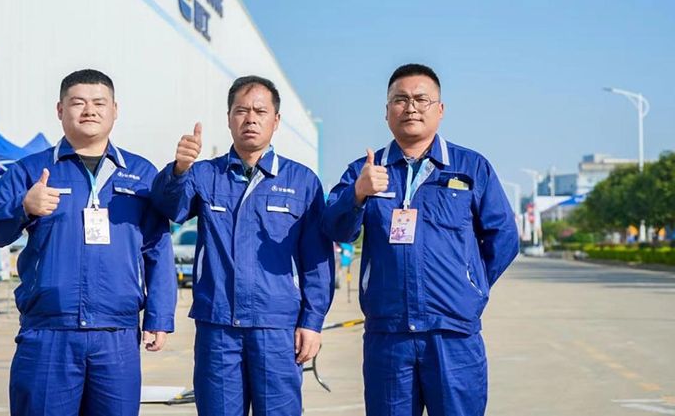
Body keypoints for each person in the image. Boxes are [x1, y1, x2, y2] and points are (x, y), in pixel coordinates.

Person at [0, 69, 176, 415]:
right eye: (78, 103)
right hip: (49, 332)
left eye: (99, 102)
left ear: (115, 110)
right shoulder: (32, 170)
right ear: (60, 110)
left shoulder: (141, 174)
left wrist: (159, 316)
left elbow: (157, 248)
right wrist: (23, 207)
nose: (89, 110)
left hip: (117, 334)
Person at [322, 63, 518, 415]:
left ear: (440, 110)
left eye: (421, 99)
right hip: (388, 334)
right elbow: (335, 230)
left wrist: (470, 286)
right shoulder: (365, 171)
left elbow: (503, 236)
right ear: (387, 112)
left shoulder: (471, 168)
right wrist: (358, 194)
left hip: (453, 332)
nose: (411, 107)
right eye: (400, 100)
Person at [151, 75, 335, 415]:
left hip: (277, 327)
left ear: (276, 120)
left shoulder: (302, 181)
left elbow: (317, 261)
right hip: (218, 325)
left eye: (260, 112)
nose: (250, 119)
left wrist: (312, 322)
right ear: (229, 118)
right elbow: (168, 208)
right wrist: (178, 170)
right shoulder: (204, 175)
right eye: (241, 111)